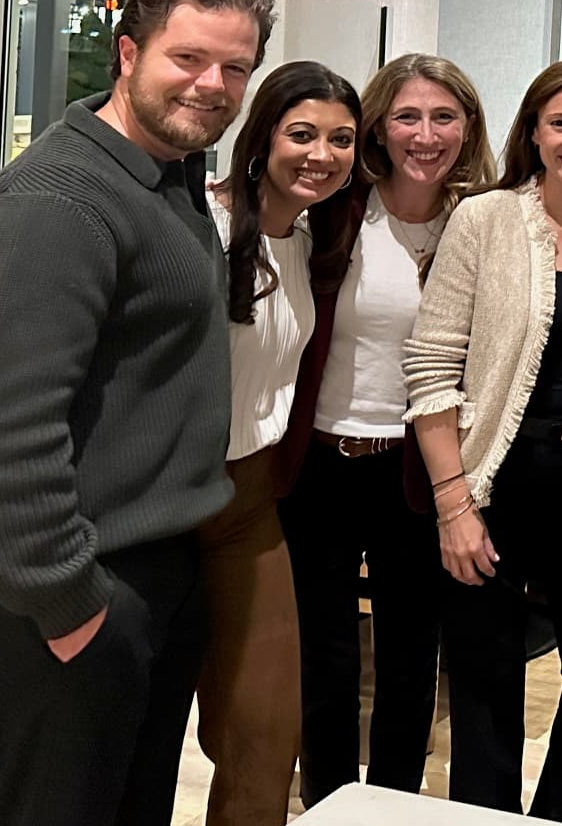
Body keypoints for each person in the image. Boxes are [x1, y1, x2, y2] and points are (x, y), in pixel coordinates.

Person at [0, 0, 274, 826]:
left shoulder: (165, 177)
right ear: (126, 53)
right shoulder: (59, 199)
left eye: (235, 68)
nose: (213, 84)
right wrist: (74, 606)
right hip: (65, 595)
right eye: (188, 58)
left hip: (145, 569)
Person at [405, 57, 562, 824]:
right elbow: (431, 366)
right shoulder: (485, 220)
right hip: (499, 489)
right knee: (485, 686)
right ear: (534, 134)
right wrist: (454, 504)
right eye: (560, 124)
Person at [278, 53, 495, 807]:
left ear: (468, 128)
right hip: (320, 464)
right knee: (323, 657)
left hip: (418, 469)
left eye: (443, 117)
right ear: (378, 126)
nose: (425, 135)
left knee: (411, 659)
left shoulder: (485, 223)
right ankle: (332, 805)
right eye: (407, 116)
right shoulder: (335, 208)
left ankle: (394, 805)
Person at [199, 60, 362, 826]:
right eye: (303, 134)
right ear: (263, 136)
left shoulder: (310, 241)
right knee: (136, 714)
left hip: (251, 500)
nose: (321, 155)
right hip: (163, 499)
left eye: (340, 139)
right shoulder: (197, 222)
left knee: (266, 729)